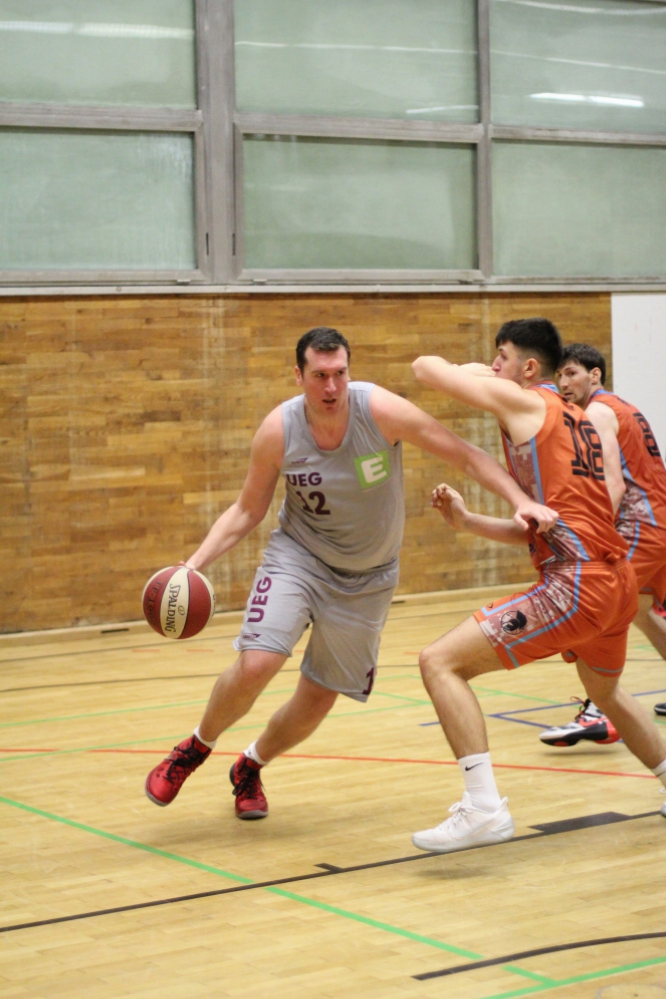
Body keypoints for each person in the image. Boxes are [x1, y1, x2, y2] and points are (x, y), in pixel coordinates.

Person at [145, 326, 557, 820]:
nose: (331, 386)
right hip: (299, 558)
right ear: (298, 376)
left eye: (339, 373)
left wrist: (520, 500)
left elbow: (465, 455)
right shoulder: (279, 430)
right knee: (257, 662)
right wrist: (194, 564)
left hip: (368, 577)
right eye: (319, 376)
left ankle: (251, 766)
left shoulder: (379, 411)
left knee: (319, 697)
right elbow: (246, 510)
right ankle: (194, 748)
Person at [409, 318, 666, 854]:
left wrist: (472, 371)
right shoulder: (575, 419)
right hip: (614, 582)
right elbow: (547, 525)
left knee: (439, 662)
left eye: (500, 356)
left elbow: (424, 368)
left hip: (578, 585)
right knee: (605, 693)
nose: (493, 366)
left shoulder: (531, 403)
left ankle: (484, 808)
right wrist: (468, 522)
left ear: (528, 368)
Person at [537, 343, 666, 745]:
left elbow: (612, 484)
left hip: (640, 527)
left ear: (595, 375)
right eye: (559, 375)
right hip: (658, 523)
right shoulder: (623, 407)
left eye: (572, 373)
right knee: (641, 612)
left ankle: (601, 712)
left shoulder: (595, 413)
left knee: (598, 606)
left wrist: (590, 536)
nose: (564, 383)